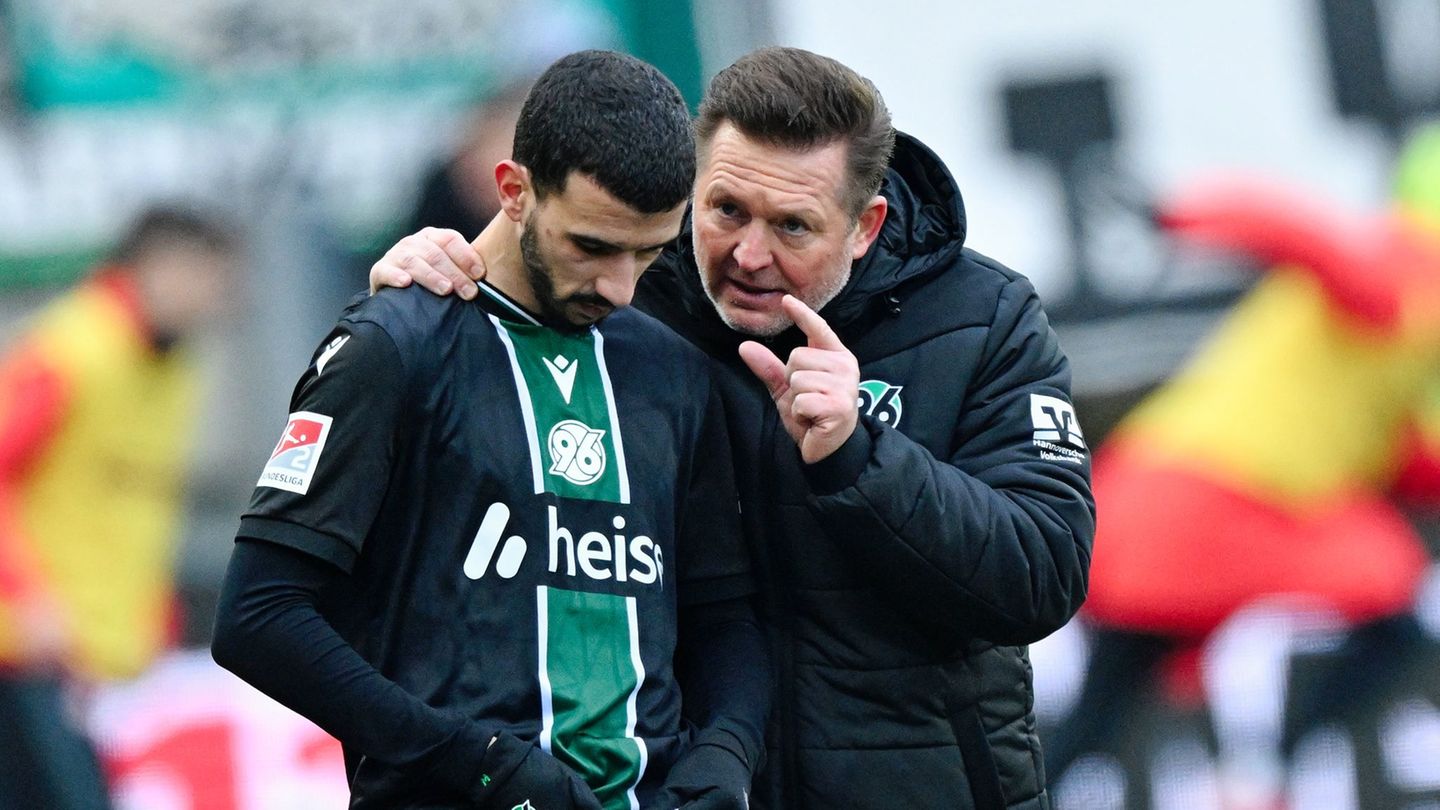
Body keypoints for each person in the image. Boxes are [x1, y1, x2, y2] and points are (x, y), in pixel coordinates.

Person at [374, 46, 1096, 810]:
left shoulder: (983, 319)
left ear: (865, 225)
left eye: (792, 226)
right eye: (725, 211)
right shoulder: (624, 296)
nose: (749, 255)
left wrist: (863, 457)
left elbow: (1042, 576)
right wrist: (430, 282)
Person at [212, 50, 768, 810]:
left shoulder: (671, 371)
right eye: (592, 246)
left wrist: (726, 757)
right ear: (513, 191)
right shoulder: (395, 344)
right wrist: (479, 764)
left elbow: (723, 616)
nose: (620, 286)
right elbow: (257, 620)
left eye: (649, 252)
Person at [1045, 132, 1440, 800]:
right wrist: (1179, 214)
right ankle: (1267, 771)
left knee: (1112, 688)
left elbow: (1408, 457)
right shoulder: (1407, 277)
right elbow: (1295, 233)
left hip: (1161, 495)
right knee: (1390, 591)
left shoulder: (1402, 328)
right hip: (1218, 499)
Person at [0, 205, 239, 810]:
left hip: (100, 656)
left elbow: (129, 501)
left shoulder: (171, 362)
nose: (216, 298)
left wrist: (148, 611)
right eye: (207, 276)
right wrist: (28, 599)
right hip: (29, 649)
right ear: (156, 267)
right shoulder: (70, 351)